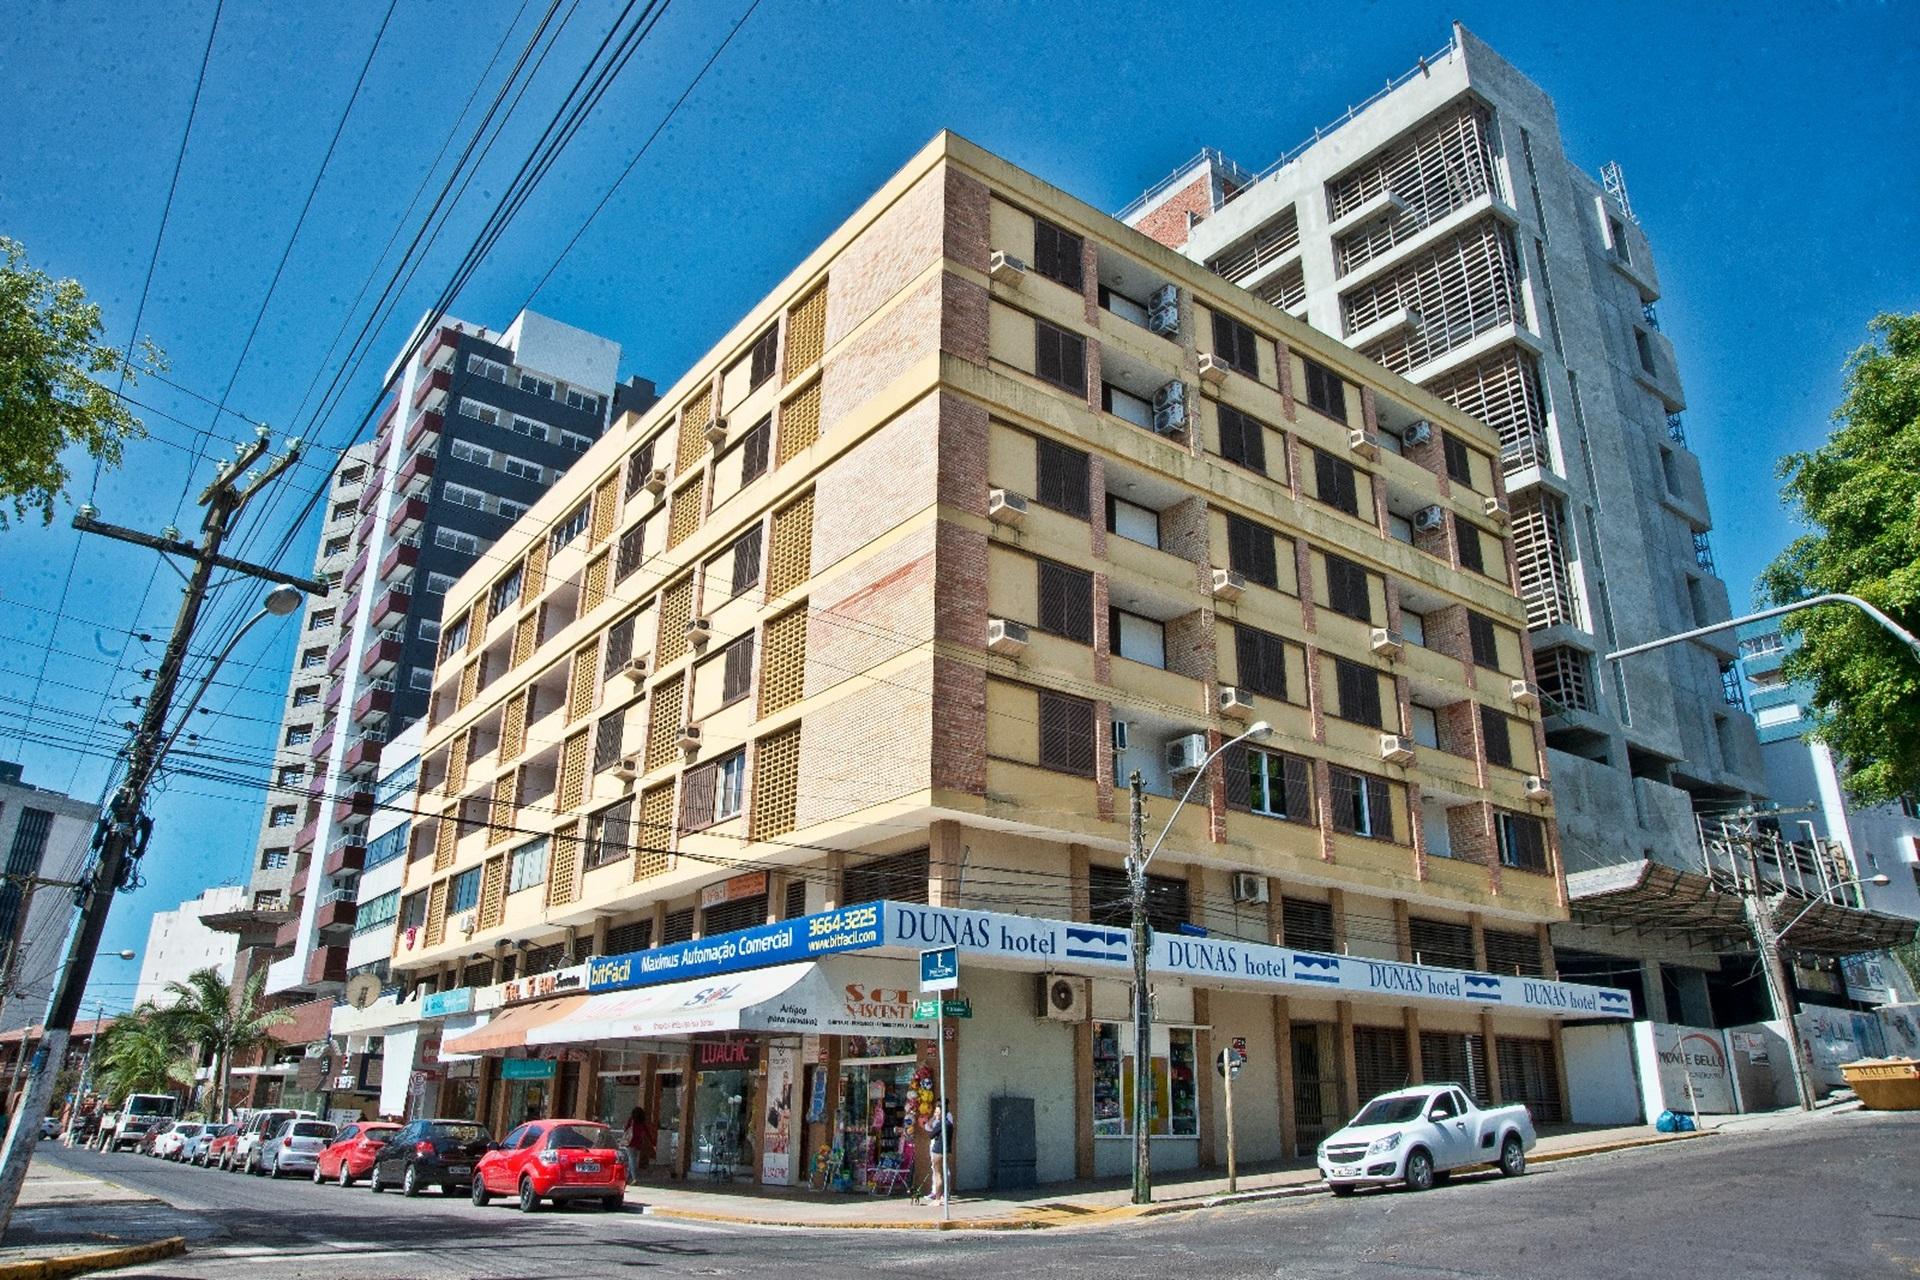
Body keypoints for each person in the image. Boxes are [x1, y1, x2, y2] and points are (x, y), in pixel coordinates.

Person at [920, 1103, 952, 1206]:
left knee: (938, 1174)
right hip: (947, 1150)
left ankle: (937, 1198)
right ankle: (944, 1195)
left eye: (938, 1112)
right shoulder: (949, 1124)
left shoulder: (941, 1124)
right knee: (944, 1172)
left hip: (938, 1150)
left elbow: (932, 1135)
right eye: (935, 1112)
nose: (936, 1114)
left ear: (943, 1113)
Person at [622, 1106, 656, 1185]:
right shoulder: (642, 1122)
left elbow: (626, 1129)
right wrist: (653, 1143)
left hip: (630, 1142)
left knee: (631, 1160)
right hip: (638, 1143)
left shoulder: (631, 1120)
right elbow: (647, 1132)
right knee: (633, 1160)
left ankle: (634, 1178)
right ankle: (627, 1178)